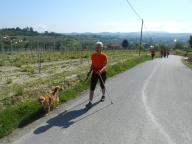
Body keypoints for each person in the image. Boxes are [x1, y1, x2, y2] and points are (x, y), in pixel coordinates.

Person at [85, 42, 108, 109]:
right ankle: (90, 102)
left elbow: (105, 66)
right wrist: (89, 71)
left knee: (102, 85)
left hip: (102, 73)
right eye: (96, 47)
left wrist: (100, 71)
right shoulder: (93, 55)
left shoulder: (104, 56)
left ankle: (103, 95)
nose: (97, 48)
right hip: (95, 72)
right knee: (92, 87)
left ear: (101, 48)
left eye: (98, 47)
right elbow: (93, 64)